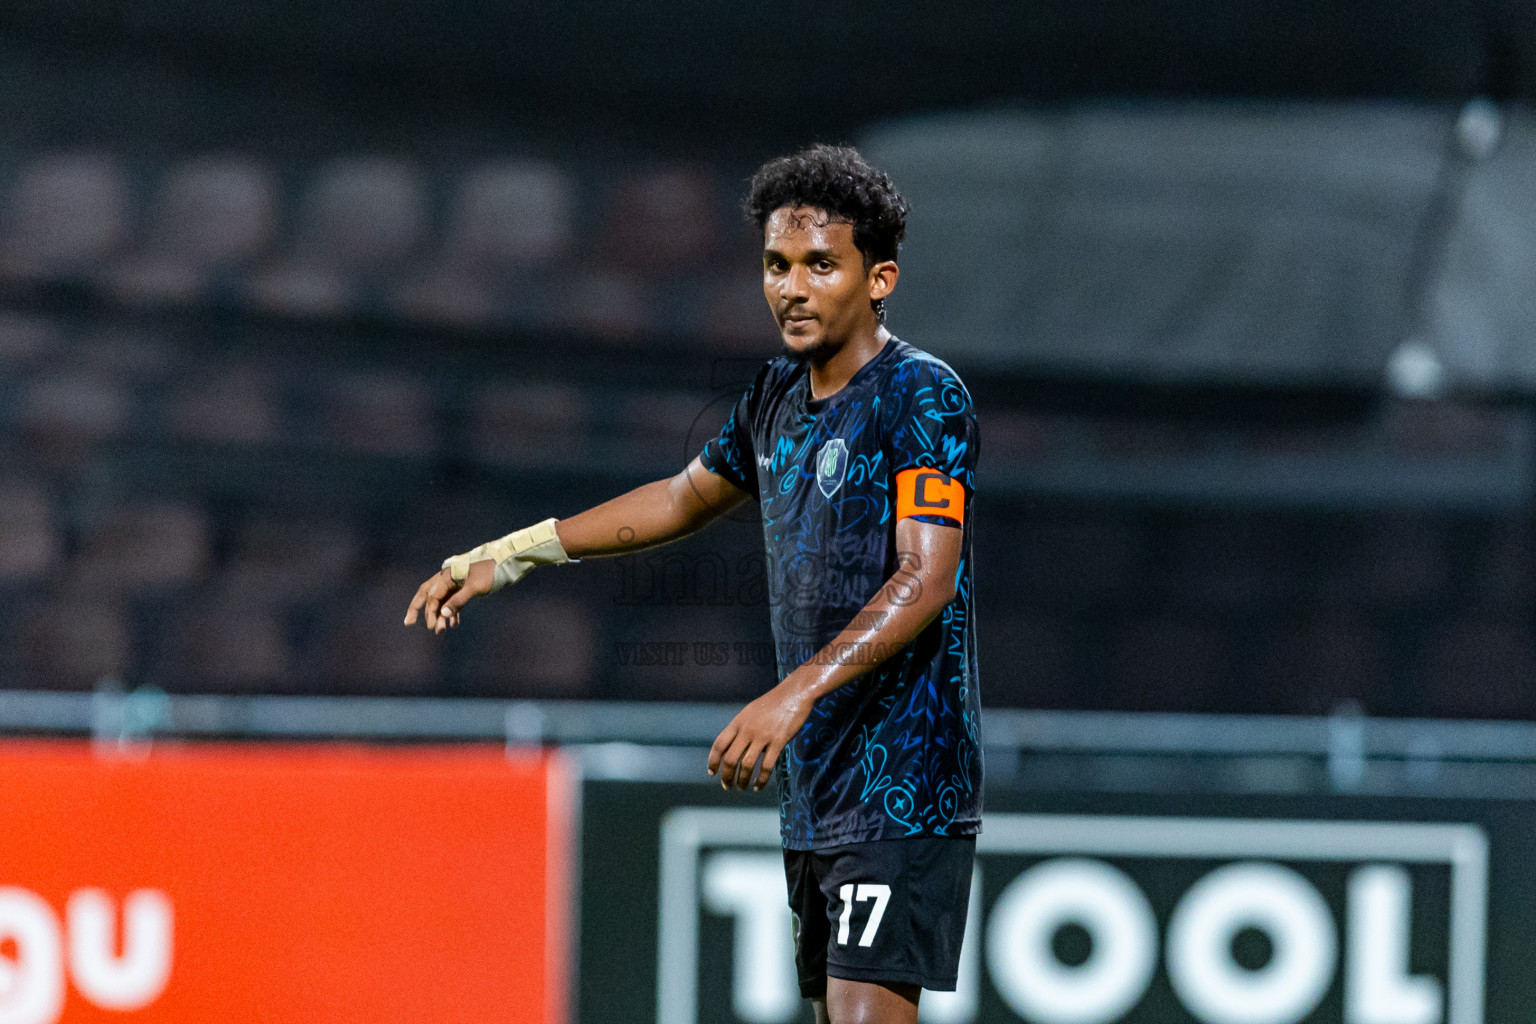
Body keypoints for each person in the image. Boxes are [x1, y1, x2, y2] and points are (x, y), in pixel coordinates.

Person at [404, 144, 980, 1024]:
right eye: (777, 266)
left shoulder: (923, 395)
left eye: (821, 265)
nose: (792, 287)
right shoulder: (774, 397)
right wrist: (512, 553)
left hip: (905, 779)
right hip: (819, 787)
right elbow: (679, 500)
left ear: (880, 278)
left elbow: (927, 575)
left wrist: (792, 694)